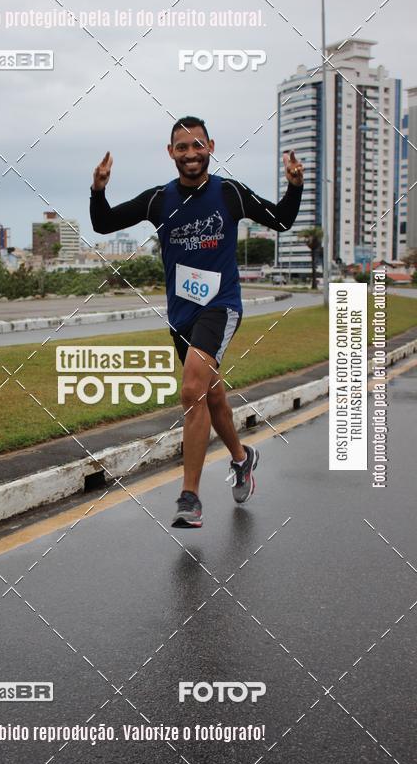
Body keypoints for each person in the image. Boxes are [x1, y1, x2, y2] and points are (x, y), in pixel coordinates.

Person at [90, 115, 304, 528]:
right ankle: (242, 460)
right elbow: (103, 223)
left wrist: (294, 186)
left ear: (211, 147)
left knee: (191, 390)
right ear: (171, 153)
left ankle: (189, 497)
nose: (190, 154)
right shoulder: (158, 200)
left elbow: (281, 220)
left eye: (197, 145)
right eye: (182, 147)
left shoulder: (230, 194)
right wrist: (98, 189)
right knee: (213, 396)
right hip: (181, 314)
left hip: (221, 307)